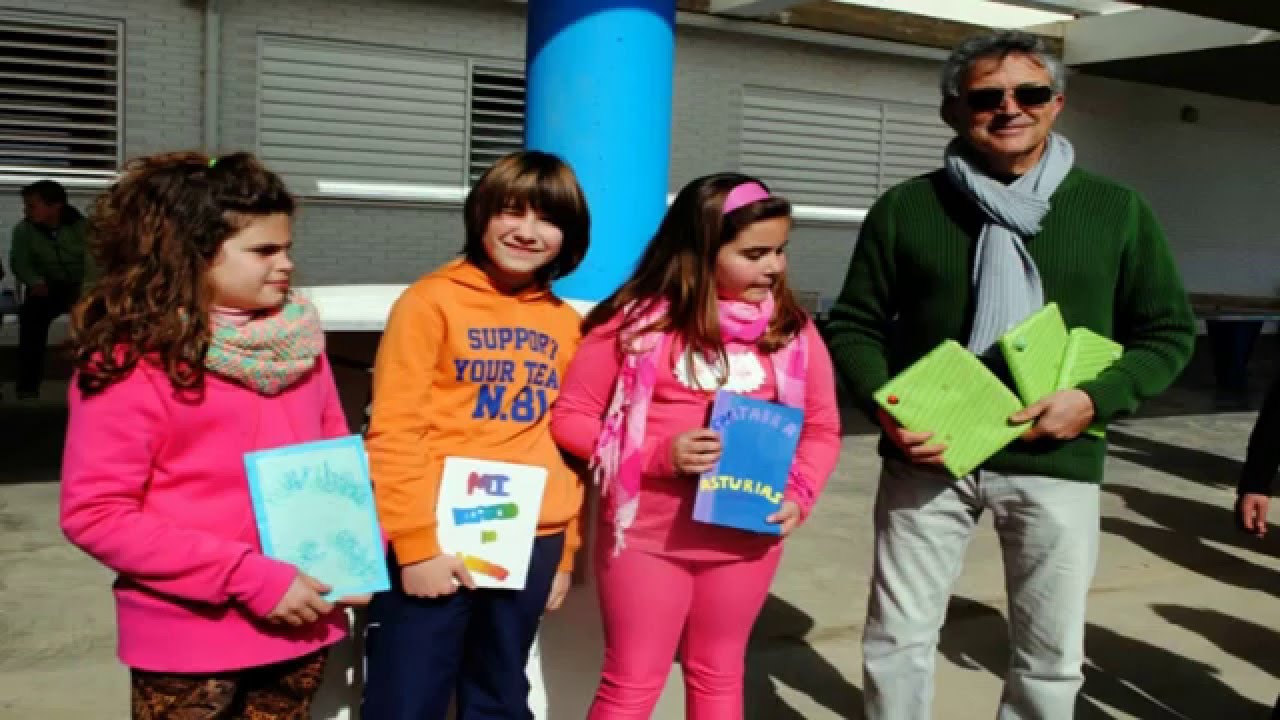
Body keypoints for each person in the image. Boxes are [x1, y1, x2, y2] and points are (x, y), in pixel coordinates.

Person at [825, 31, 1196, 720]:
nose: (1009, 109)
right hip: (929, 456)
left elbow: (1168, 332)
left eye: (1028, 93)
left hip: (1056, 454)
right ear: (954, 111)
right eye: (986, 96)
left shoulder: (1116, 211)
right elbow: (853, 324)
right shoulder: (908, 208)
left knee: (1050, 654)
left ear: (1056, 103)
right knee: (897, 639)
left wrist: (1094, 399)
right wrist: (889, 409)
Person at [60, 152, 358, 719]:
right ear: (190, 257)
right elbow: (95, 513)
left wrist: (359, 555)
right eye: (264, 251)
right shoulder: (130, 363)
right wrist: (247, 576)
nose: (286, 264)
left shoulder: (301, 345)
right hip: (188, 636)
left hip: (302, 620)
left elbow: (333, 471)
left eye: (288, 247)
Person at [551, 173, 842, 718]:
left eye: (780, 250)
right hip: (647, 540)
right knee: (631, 684)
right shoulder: (630, 327)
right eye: (754, 253)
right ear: (701, 251)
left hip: (746, 539)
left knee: (719, 676)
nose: (774, 267)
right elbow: (571, 418)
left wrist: (800, 494)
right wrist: (659, 455)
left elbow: (822, 430)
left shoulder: (793, 332)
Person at [361, 150, 590, 720]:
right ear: (481, 214)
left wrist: (566, 552)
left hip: (531, 537)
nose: (527, 232)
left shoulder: (565, 321)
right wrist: (415, 545)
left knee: (500, 692)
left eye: (548, 219)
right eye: (511, 212)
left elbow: (571, 443)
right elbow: (393, 430)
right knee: (407, 695)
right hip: (438, 534)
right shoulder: (429, 301)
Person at [10, 179, 90, 398]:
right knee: (31, 317)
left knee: (94, 322)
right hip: (46, 286)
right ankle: (27, 386)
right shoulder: (24, 230)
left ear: (55, 206)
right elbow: (20, 262)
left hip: (80, 285)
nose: (27, 211)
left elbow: (95, 263)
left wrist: (88, 292)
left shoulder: (84, 228)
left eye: (32, 205)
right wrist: (34, 280)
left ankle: (91, 382)